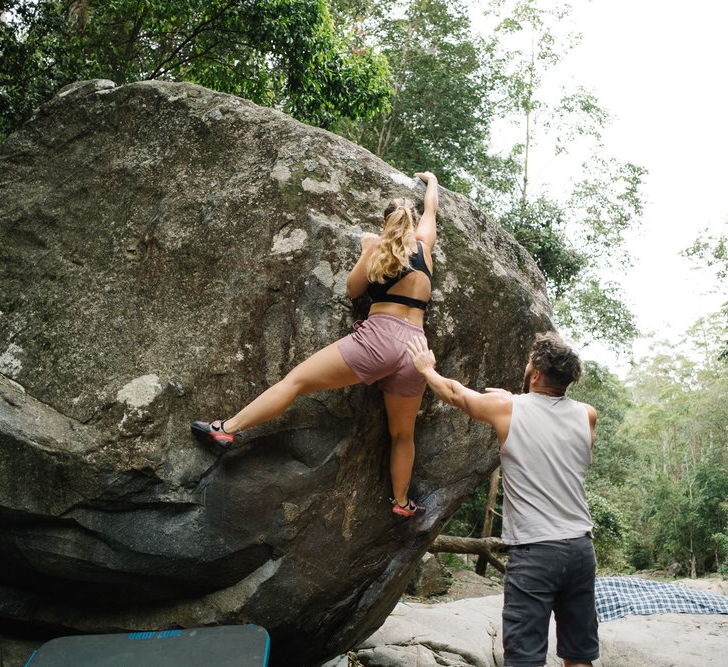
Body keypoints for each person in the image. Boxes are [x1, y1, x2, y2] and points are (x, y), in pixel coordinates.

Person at [192, 171, 439, 518]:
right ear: (412, 223)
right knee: (402, 434)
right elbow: (432, 211)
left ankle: (228, 429)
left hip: (378, 339)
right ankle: (401, 502)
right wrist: (431, 182)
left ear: (385, 222)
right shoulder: (425, 250)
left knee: (295, 382)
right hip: (416, 350)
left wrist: (367, 249)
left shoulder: (378, 249)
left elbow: (353, 290)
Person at [406, 332, 599, 667]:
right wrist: (514, 400)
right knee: (579, 655)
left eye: (529, 364)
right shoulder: (587, 414)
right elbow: (546, 421)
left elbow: (454, 394)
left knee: (524, 658)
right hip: (581, 549)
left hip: (537, 550)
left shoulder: (507, 407)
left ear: (536, 373)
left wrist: (426, 369)